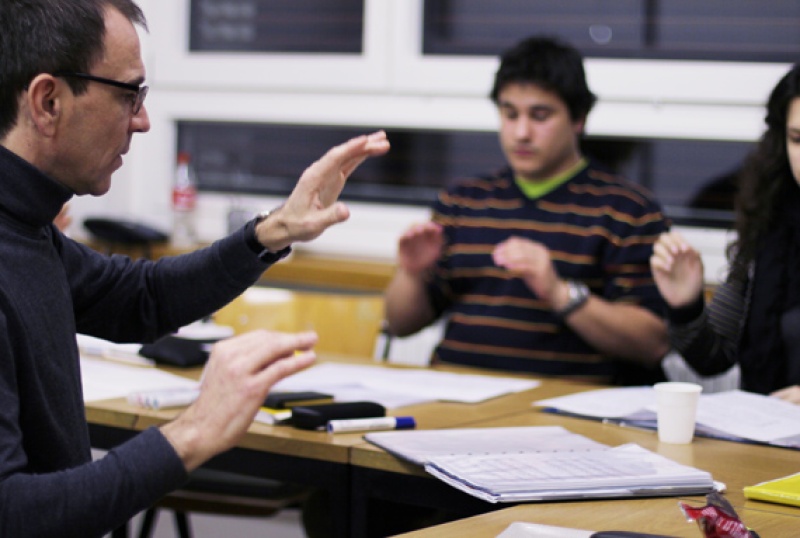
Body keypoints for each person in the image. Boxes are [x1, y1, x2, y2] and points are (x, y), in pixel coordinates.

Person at [0, 1, 389, 536]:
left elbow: (142, 299)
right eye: (128, 95)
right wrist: (195, 430)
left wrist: (273, 231)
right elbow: (13, 514)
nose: (143, 120)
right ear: (48, 102)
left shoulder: (26, 226)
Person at [383, 35, 669, 385]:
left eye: (540, 115)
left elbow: (652, 344)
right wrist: (412, 274)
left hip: (567, 407)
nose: (521, 132)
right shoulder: (462, 200)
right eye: (510, 114)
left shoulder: (627, 210)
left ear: (578, 119)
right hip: (456, 396)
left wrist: (559, 293)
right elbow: (400, 324)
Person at [650, 64, 800, 404]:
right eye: (797, 139)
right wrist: (686, 305)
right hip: (765, 429)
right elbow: (713, 357)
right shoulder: (772, 223)